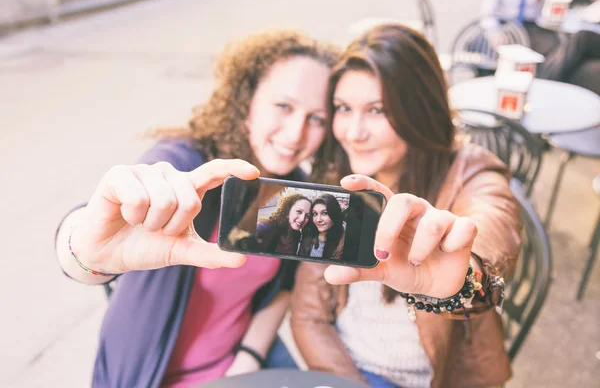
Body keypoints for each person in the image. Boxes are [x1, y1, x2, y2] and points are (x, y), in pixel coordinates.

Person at [54, 29, 339, 388]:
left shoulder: (295, 188)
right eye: (283, 106)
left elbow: (283, 287)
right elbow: (91, 233)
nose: (297, 133)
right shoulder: (186, 163)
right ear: (247, 103)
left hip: (238, 368)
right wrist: (85, 252)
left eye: (317, 118)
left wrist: (247, 359)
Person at [291, 23, 522, 388]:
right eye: (343, 108)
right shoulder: (339, 180)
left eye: (377, 110)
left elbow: (492, 225)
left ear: (418, 110)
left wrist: (462, 274)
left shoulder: (471, 171)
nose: (353, 132)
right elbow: (309, 317)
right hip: (350, 369)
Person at [481, 0, 600, 94]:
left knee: (563, 48)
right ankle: (546, 79)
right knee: (567, 50)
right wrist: (494, 32)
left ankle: (544, 80)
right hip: (508, 29)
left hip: (537, 28)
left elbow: (556, 4)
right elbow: (487, 15)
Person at [298, 194, 345, 259]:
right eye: (315, 214)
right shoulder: (308, 235)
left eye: (324, 213)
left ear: (334, 214)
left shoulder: (343, 242)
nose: (318, 220)